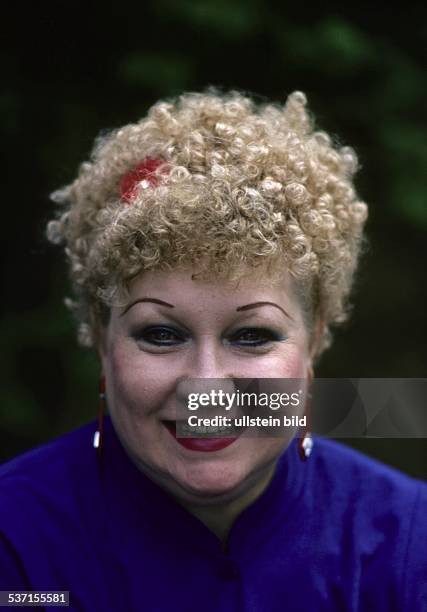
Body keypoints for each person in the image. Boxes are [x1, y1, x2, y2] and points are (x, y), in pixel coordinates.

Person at [0, 89, 426, 611]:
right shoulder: (14, 542)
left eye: (252, 336)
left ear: (313, 340)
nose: (206, 387)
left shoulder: (408, 540)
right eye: (161, 334)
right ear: (101, 335)